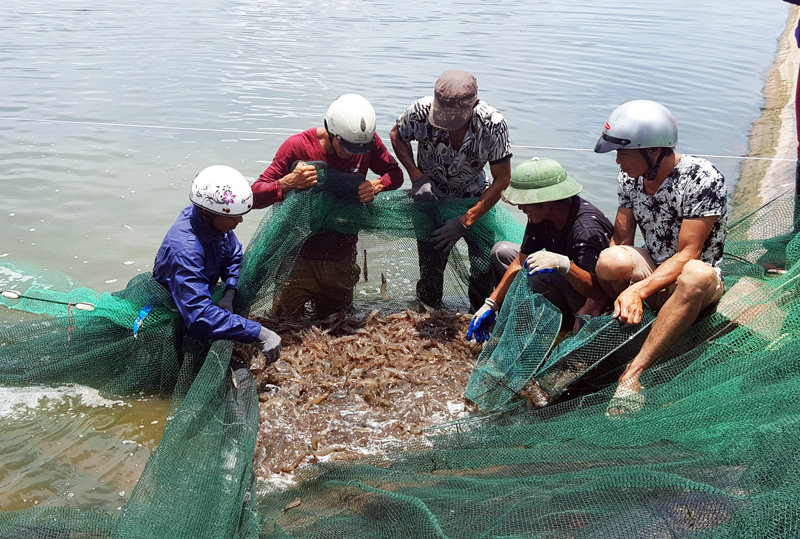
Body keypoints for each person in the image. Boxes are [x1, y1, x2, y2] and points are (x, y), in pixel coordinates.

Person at [593, 100, 727, 415]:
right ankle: (635, 322)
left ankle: (634, 373)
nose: (617, 162)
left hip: (695, 279)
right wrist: (605, 293)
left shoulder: (702, 178)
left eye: (623, 153)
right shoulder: (630, 178)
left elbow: (688, 254)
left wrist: (638, 289)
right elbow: (622, 239)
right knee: (608, 260)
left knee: (695, 273)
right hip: (654, 267)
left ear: (652, 151)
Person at [251, 93, 403, 318]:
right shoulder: (297, 146)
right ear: (332, 133)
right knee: (284, 324)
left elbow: (395, 174)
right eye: (347, 147)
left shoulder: (367, 145)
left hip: (341, 259)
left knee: (337, 325)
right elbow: (254, 196)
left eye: (359, 149)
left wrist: (378, 184)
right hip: (297, 258)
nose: (353, 153)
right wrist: (287, 182)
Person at [390, 69, 513, 310]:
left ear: (474, 104)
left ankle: (479, 315)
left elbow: (502, 180)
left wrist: (465, 221)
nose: (448, 126)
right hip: (431, 200)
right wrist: (416, 176)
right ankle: (429, 310)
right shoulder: (420, 111)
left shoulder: (493, 124)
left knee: (482, 267)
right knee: (430, 268)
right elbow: (397, 135)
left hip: (475, 200)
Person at [466, 157, 613, 342]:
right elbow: (520, 261)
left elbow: (599, 291)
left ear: (547, 200)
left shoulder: (586, 229)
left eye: (525, 202)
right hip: (563, 284)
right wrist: (491, 304)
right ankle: (513, 320)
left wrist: (565, 265)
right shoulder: (540, 217)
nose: (520, 207)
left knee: (538, 273)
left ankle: (562, 328)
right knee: (501, 252)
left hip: (590, 301)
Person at [153, 165, 281, 364]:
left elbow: (234, 255)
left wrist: (230, 292)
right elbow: (199, 316)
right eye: (232, 216)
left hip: (197, 303)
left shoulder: (214, 225)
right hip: (172, 316)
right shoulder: (185, 249)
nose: (239, 221)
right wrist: (259, 332)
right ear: (207, 212)